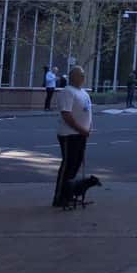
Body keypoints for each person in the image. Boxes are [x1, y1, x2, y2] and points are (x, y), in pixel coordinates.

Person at [52, 65, 92, 207]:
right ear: (73, 76)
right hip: (69, 135)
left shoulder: (83, 93)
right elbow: (66, 115)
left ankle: (68, 195)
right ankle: (59, 197)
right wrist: (81, 129)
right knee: (68, 166)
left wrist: (87, 129)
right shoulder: (67, 92)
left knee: (76, 165)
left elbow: (87, 112)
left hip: (81, 135)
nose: (83, 77)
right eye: (81, 74)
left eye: (83, 75)